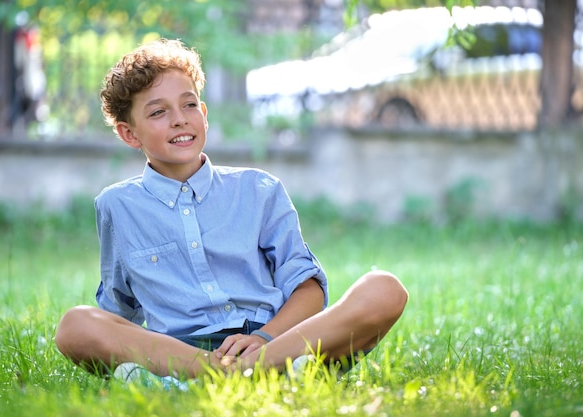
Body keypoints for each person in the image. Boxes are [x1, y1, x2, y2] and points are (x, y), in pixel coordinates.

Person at [54, 39, 408, 383]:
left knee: (385, 289)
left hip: (274, 340)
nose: (179, 120)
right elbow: (118, 308)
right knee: (75, 325)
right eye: (159, 112)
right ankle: (251, 374)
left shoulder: (259, 189)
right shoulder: (116, 206)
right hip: (183, 353)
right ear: (130, 134)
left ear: (204, 115)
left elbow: (308, 288)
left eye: (189, 105)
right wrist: (124, 344)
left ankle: (250, 369)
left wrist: (266, 340)